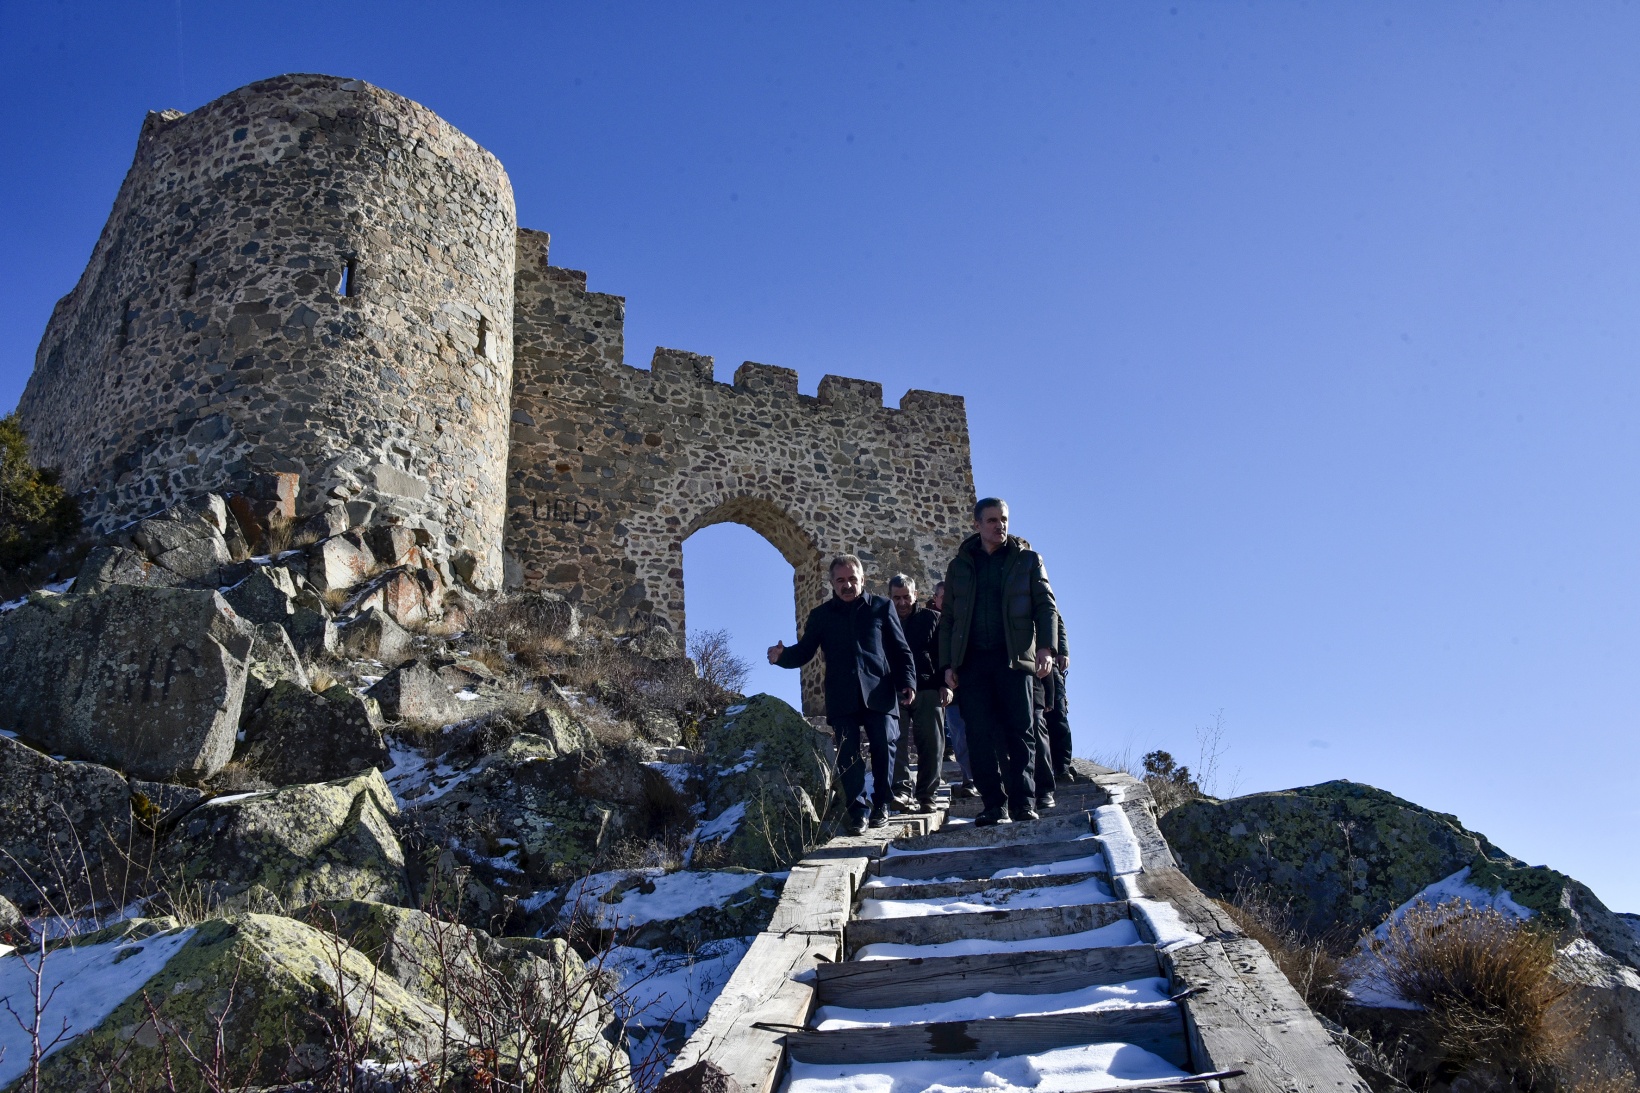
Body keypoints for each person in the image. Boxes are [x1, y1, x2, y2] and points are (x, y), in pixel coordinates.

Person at [769, 554, 916, 835]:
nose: (847, 585)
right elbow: (805, 651)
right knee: (848, 756)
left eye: (852, 579)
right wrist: (782, 656)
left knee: (884, 747)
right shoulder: (821, 616)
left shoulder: (882, 608)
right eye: (841, 580)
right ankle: (858, 811)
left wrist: (907, 682)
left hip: (880, 692)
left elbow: (901, 650)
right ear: (832, 584)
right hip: (842, 696)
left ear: (862, 579)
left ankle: (882, 804)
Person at [938, 498, 1059, 827]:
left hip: (1014, 660)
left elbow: (1046, 607)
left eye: (1003, 519)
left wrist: (1046, 648)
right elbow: (947, 619)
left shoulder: (1028, 560)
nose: (999, 525)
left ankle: (1023, 802)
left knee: (1021, 732)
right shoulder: (960, 566)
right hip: (973, 662)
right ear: (977, 524)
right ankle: (993, 805)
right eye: (991, 520)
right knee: (978, 735)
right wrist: (948, 665)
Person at [887, 574, 945, 812]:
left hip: (928, 687)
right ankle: (900, 791)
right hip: (894, 689)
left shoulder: (933, 619)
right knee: (895, 741)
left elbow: (943, 655)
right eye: (896, 598)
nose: (902, 603)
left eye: (906, 597)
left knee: (932, 742)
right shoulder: (883, 621)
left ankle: (927, 795)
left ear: (916, 595)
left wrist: (946, 686)